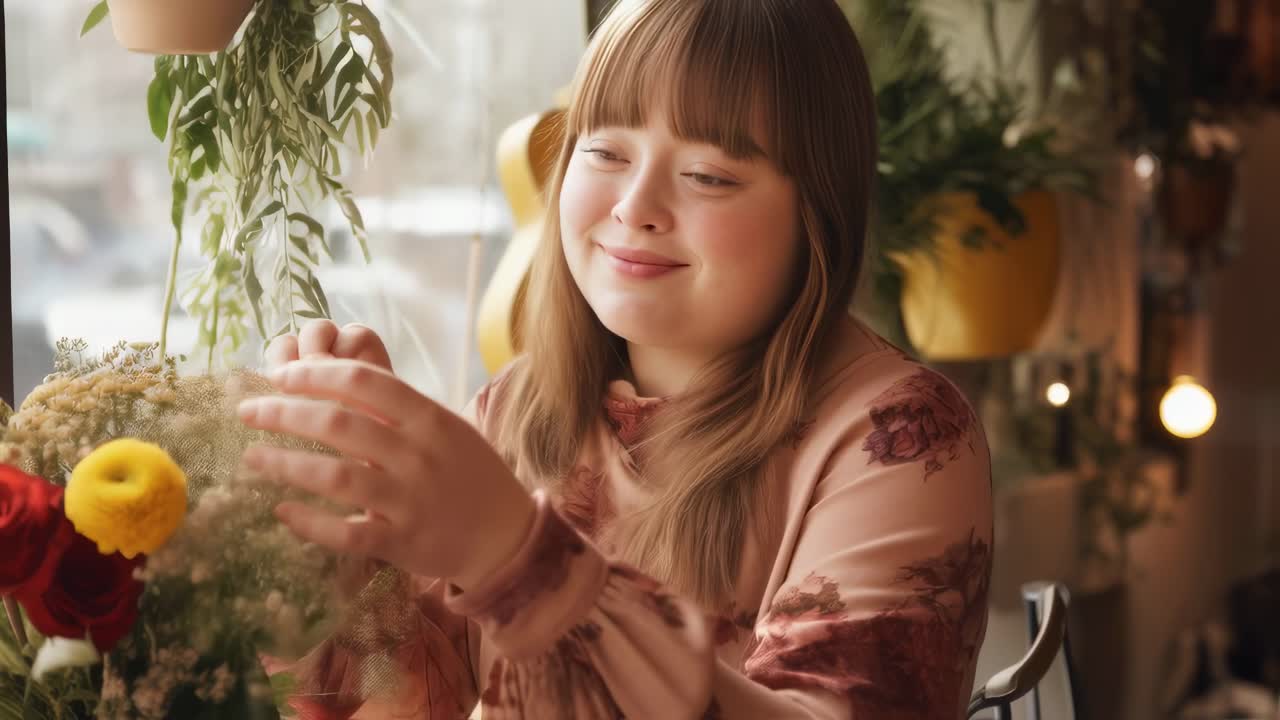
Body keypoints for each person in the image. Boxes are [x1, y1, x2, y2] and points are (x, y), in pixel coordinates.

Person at [238, 0, 994, 717]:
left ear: (817, 214)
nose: (635, 205)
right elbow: (436, 700)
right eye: (603, 150)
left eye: (708, 175)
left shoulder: (899, 439)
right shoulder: (517, 409)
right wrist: (344, 566)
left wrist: (523, 564)